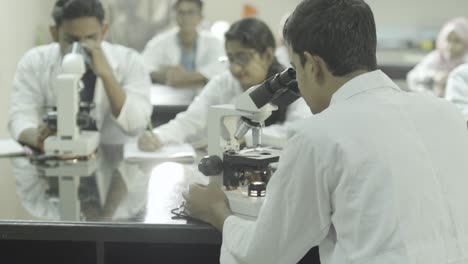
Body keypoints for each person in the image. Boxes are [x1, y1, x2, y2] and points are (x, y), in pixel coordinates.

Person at [183, 0, 468, 263]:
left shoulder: (319, 137)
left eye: (296, 69)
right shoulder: (447, 113)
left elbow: (264, 255)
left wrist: (218, 212)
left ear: (313, 65)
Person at [138, 18, 311, 151]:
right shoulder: (224, 83)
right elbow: (190, 121)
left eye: (243, 57)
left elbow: (298, 132)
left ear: (266, 55)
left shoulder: (291, 85)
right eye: (231, 59)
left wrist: (246, 138)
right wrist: (158, 137)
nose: (235, 67)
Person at [8, 0, 152, 151]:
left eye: (90, 38)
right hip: (57, 161)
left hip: (115, 161)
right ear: (54, 33)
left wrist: (107, 75)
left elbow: (136, 125)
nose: (82, 47)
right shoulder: (35, 61)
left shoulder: (130, 61)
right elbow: (20, 118)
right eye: (72, 40)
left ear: (104, 31)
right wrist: (40, 137)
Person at [141, 0, 225, 88]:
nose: (185, 17)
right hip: (167, 96)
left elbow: (220, 67)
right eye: (181, 13)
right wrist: (165, 74)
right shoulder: (158, 42)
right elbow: (144, 67)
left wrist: (186, 77)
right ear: (175, 16)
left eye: (190, 12)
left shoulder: (214, 42)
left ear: (200, 17)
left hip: (205, 95)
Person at [407, 17, 468, 97]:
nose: (450, 45)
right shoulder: (437, 56)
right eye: (448, 39)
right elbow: (412, 76)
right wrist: (434, 76)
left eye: (457, 41)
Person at [107, 0, 171, 52]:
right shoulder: (114, 29)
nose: (129, 8)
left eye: (130, 5)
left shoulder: (146, 26)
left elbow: (164, 21)